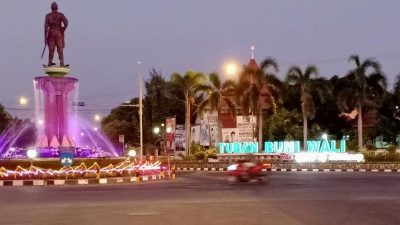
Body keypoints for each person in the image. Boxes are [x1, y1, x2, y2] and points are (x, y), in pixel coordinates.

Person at [44, 2, 68, 67]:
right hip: (59, 33)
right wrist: (63, 28)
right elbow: (66, 22)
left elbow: (46, 27)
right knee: (60, 48)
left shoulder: (48, 16)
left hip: (51, 33)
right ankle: (62, 63)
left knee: (51, 49)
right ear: (57, 7)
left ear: (51, 8)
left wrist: (45, 38)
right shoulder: (61, 15)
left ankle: (49, 62)